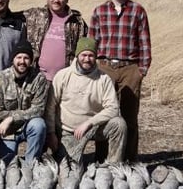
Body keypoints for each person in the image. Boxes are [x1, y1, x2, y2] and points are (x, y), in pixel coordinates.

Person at [90, 0, 152, 163]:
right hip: (105, 67)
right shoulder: (99, 11)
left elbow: (145, 42)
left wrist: (141, 70)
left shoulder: (137, 10)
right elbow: (92, 42)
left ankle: (130, 160)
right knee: (103, 114)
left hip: (129, 68)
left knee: (129, 116)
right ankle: (102, 159)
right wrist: (93, 68)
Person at [45, 37, 127, 165]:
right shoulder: (62, 75)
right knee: (71, 174)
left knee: (119, 124)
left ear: (96, 57)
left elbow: (113, 108)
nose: (87, 59)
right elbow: (50, 107)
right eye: (84, 55)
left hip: (93, 127)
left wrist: (89, 123)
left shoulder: (104, 78)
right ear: (77, 55)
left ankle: (114, 166)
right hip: (68, 131)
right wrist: (51, 133)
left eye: (91, 55)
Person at [0, 40, 49, 165]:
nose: (22, 61)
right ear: (12, 59)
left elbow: (38, 110)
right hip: (7, 132)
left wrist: (11, 118)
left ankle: (31, 164)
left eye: (26, 58)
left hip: (28, 126)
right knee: (6, 165)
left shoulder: (39, 79)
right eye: (19, 57)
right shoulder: (0, 79)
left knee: (39, 124)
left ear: (31, 60)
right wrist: (10, 121)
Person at [24, 0, 88, 81]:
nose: (56, 0)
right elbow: (11, 16)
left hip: (66, 78)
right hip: (38, 78)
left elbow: (83, 49)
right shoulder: (35, 15)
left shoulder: (77, 21)